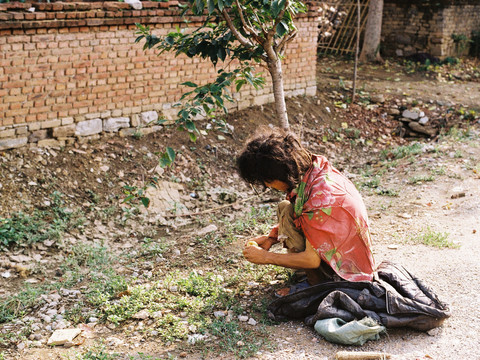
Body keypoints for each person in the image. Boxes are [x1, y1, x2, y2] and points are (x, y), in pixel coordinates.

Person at [237, 128, 375, 292]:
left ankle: (313, 283)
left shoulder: (320, 199)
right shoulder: (313, 170)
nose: (267, 186)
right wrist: (271, 238)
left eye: (267, 181)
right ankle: (310, 278)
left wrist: (266, 257)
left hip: (346, 274)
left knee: (288, 213)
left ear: (279, 172)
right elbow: (300, 214)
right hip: (338, 249)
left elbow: (312, 260)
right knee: (285, 208)